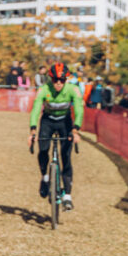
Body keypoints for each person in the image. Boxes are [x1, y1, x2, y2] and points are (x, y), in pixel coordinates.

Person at [28, 63, 84, 210]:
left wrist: (76, 129)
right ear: (50, 79)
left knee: (66, 155)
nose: (58, 83)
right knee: (43, 150)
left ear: (66, 80)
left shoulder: (73, 89)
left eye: (62, 80)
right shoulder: (44, 89)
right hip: (47, 121)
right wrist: (33, 129)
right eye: (55, 80)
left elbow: (78, 109)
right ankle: (45, 177)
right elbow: (35, 109)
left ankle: (67, 196)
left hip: (65, 122)